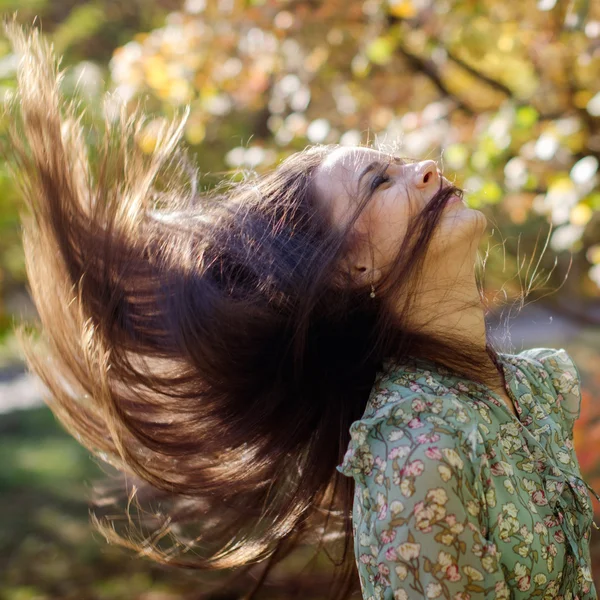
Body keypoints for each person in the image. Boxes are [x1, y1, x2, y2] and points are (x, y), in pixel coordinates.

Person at [3, 21, 598, 600]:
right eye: (378, 182)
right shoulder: (420, 451)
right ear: (349, 269)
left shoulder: (525, 389)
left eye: (400, 165)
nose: (427, 169)